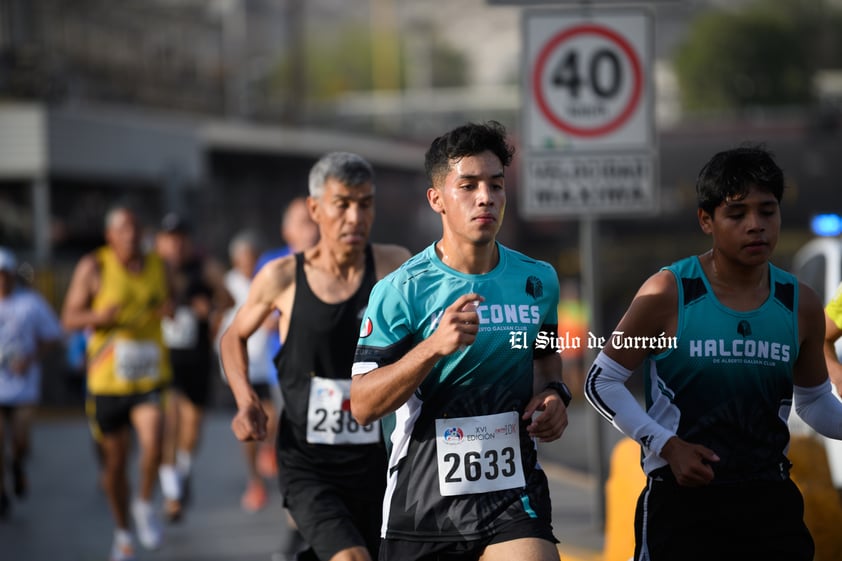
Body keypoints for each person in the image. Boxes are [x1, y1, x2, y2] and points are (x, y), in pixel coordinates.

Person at [583, 145, 842, 561]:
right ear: (707, 220)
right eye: (737, 214)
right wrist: (667, 446)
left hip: (770, 503)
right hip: (684, 504)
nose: (755, 226)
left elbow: (813, 401)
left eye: (767, 211)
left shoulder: (801, 303)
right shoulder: (669, 292)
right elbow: (601, 381)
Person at [350, 121, 570, 561]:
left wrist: (554, 394)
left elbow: (546, 360)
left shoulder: (537, 280)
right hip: (422, 503)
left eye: (495, 184)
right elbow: (362, 405)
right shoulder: (401, 290)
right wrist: (433, 346)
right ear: (437, 200)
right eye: (467, 185)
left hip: (512, 495)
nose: (485, 197)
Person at [219, 151, 411, 561]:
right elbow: (232, 337)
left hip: (379, 459)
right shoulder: (283, 277)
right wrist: (246, 400)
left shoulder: (396, 267)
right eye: (342, 204)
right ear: (315, 209)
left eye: (365, 204)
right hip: (309, 462)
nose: (355, 218)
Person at [61, 206, 172, 561]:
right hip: (107, 381)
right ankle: (123, 532)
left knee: (154, 441)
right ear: (110, 235)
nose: (132, 234)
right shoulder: (94, 267)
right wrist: (98, 316)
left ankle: (143, 505)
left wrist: (171, 307)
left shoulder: (158, 264)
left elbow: (173, 299)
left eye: (137, 227)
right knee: (115, 466)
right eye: (124, 228)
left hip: (149, 376)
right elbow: (69, 317)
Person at [155, 212, 231, 522]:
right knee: (168, 424)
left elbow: (228, 299)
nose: (175, 245)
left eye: (181, 238)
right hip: (163, 360)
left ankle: (183, 471)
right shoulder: (153, 271)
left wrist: (210, 309)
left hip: (197, 359)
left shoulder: (206, 268)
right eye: (169, 239)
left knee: (193, 426)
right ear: (161, 242)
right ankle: (171, 495)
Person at [216, 230, 277, 512]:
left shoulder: (267, 279)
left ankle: (268, 450)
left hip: (266, 364)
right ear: (234, 259)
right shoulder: (226, 284)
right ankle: (254, 481)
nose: (248, 262)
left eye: (252, 257)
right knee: (249, 421)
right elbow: (218, 322)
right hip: (242, 366)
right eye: (243, 258)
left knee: (273, 416)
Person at [0, 247, 63, 520]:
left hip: (24, 385)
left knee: (20, 440)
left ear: (12, 275)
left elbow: (53, 335)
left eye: (4, 274)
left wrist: (31, 358)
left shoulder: (31, 303)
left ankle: (17, 464)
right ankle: (1, 493)